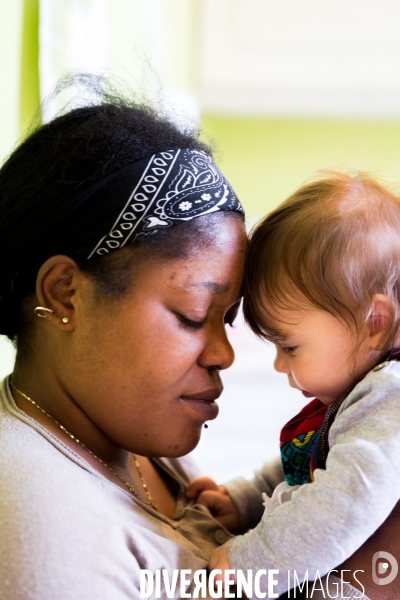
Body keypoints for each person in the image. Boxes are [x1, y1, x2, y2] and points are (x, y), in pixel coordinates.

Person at [0, 87, 247, 599]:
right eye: (193, 315)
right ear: (64, 295)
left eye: (228, 318)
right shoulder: (46, 535)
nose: (224, 354)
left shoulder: (133, 436)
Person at [187, 173, 400, 599]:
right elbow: (312, 464)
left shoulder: (390, 395)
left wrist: (255, 560)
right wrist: (246, 499)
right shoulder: (362, 400)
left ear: (373, 323)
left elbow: (345, 498)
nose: (279, 364)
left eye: (290, 345)